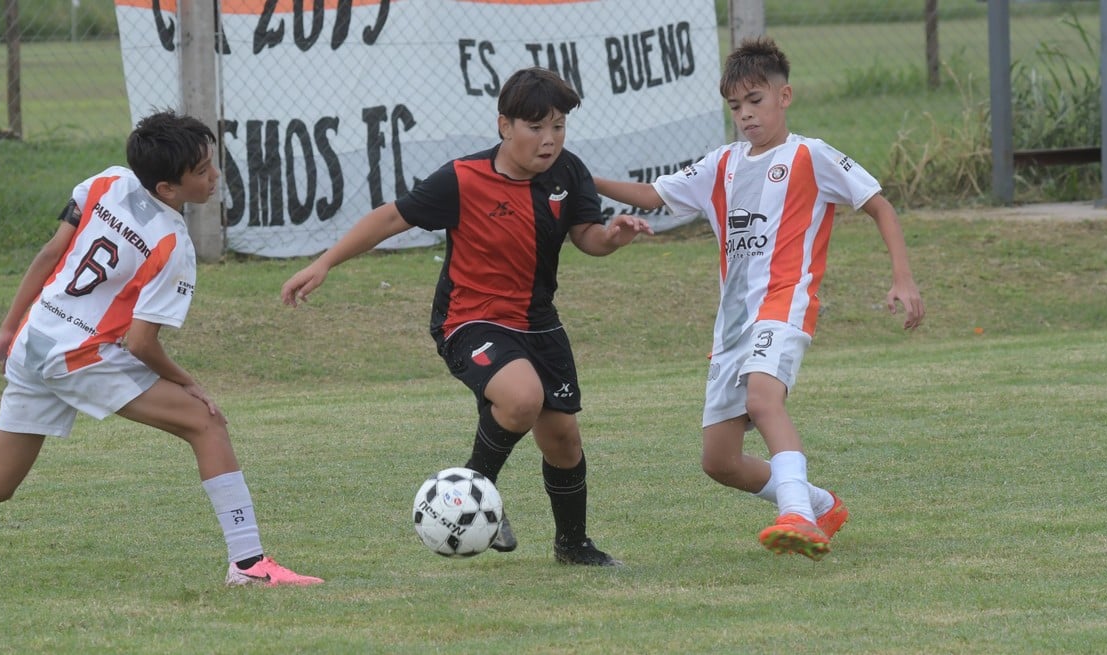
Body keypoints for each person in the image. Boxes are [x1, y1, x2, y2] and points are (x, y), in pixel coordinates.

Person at [0, 111, 322, 588]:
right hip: (80, 356)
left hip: (35, 341)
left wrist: (7, 331)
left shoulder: (106, 181)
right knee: (207, 422)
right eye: (201, 171)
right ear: (167, 190)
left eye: (211, 164)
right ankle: (249, 565)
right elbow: (140, 343)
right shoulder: (172, 244)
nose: (214, 176)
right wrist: (187, 381)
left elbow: (49, 254)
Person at [281, 67, 652, 566]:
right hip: (469, 319)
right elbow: (391, 217)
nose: (549, 140)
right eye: (536, 127)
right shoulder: (463, 179)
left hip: (539, 321)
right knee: (522, 399)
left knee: (562, 438)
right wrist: (324, 262)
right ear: (505, 126)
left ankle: (573, 546)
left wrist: (614, 236)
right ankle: (475, 496)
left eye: (559, 126)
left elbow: (588, 237)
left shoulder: (569, 172)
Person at [594, 37, 925, 560]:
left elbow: (879, 205)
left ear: (784, 96)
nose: (746, 115)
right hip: (732, 326)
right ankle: (820, 503)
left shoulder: (810, 156)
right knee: (719, 461)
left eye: (756, 101)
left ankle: (795, 514)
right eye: (735, 106)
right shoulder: (721, 165)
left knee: (763, 400)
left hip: (785, 305)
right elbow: (652, 196)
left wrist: (903, 278)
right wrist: (576, 176)